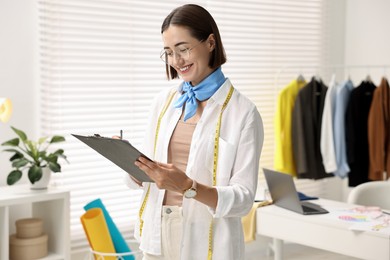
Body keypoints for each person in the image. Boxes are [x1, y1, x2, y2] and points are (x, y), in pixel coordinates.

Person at [124, 4, 264, 260]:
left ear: (210, 43)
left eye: (184, 49)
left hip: (207, 241)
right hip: (157, 232)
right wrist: (131, 163)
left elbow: (243, 199)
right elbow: (152, 174)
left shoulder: (244, 113)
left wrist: (188, 187)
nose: (177, 61)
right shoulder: (164, 102)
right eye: (168, 52)